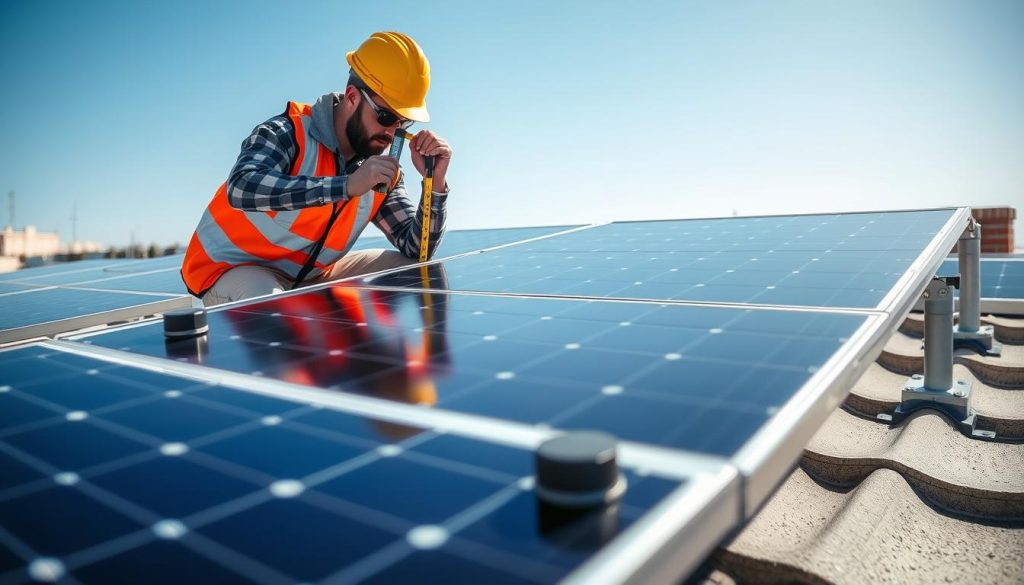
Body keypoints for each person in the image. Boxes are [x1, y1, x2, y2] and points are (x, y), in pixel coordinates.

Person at [181, 31, 452, 306]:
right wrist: (345, 186)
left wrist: (435, 183)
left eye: (403, 123)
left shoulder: (381, 172)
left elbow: (418, 249)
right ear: (352, 97)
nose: (392, 132)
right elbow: (242, 186)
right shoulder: (287, 132)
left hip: (314, 275)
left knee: (417, 272)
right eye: (386, 116)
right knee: (271, 307)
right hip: (233, 268)